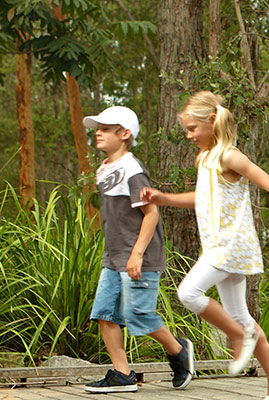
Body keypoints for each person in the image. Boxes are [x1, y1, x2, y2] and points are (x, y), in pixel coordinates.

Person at [140, 91, 269, 400]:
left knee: (188, 293)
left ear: (211, 121)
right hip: (219, 246)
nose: (189, 135)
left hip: (231, 245)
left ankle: (236, 335)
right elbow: (202, 198)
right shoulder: (204, 158)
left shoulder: (230, 155)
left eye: (192, 128)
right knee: (241, 314)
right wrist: (163, 199)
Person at [80, 106, 196, 393]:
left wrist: (137, 254)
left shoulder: (132, 169)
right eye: (98, 128)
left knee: (139, 315)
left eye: (106, 129)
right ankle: (122, 374)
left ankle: (178, 350)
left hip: (139, 256)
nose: (98, 132)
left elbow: (151, 214)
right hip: (114, 257)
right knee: (104, 314)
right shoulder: (105, 169)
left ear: (125, 134)